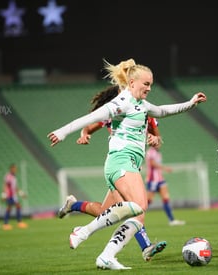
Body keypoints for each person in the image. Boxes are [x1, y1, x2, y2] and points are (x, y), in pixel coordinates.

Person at [47, 58, 207, 270]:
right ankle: (83, 231)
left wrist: (191, 102)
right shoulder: (120, 103)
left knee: (138, 215)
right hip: (120, 160)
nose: (149, 88)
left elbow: (163, 111)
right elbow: (89, 119)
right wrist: (63, 132)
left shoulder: (141, 105)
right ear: (131, 83)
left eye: (151, 84)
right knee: (139, 205)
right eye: (145, 84)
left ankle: (107, 255)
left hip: (127, 163)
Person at [58, 85, 166, 262]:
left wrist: (155, 139)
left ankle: (73, 205)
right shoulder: (114, 112)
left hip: (133, 166)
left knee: (103, 210)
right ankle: (145, 248)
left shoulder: (146, 111)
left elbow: (158, 139)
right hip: (119, 165)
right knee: (135, 207)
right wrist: (85, 134)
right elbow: (87, 127)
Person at [145, 143, 185, 226]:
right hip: (153, 180)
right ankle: (135, 218)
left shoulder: (158, 153)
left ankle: (172, 220)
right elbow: (152, 164)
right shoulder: (150, 152)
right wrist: (165, 168)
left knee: (166, 198)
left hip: (160, 179)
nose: (159, 144)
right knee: (148, 201)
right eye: (158, 142)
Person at [2, 163, 28, 230]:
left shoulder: (14, 176)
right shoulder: (8, 176)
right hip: (10, 195)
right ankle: (7, 224)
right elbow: (5, 185)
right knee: (10, 208)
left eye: (15, 169)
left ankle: (16, 223)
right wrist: (4, 195)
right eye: (14, 168)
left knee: (16, 207)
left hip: (14, 195)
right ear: (11, 169)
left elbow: (15, 187)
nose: (15, 170)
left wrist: (21, 193)